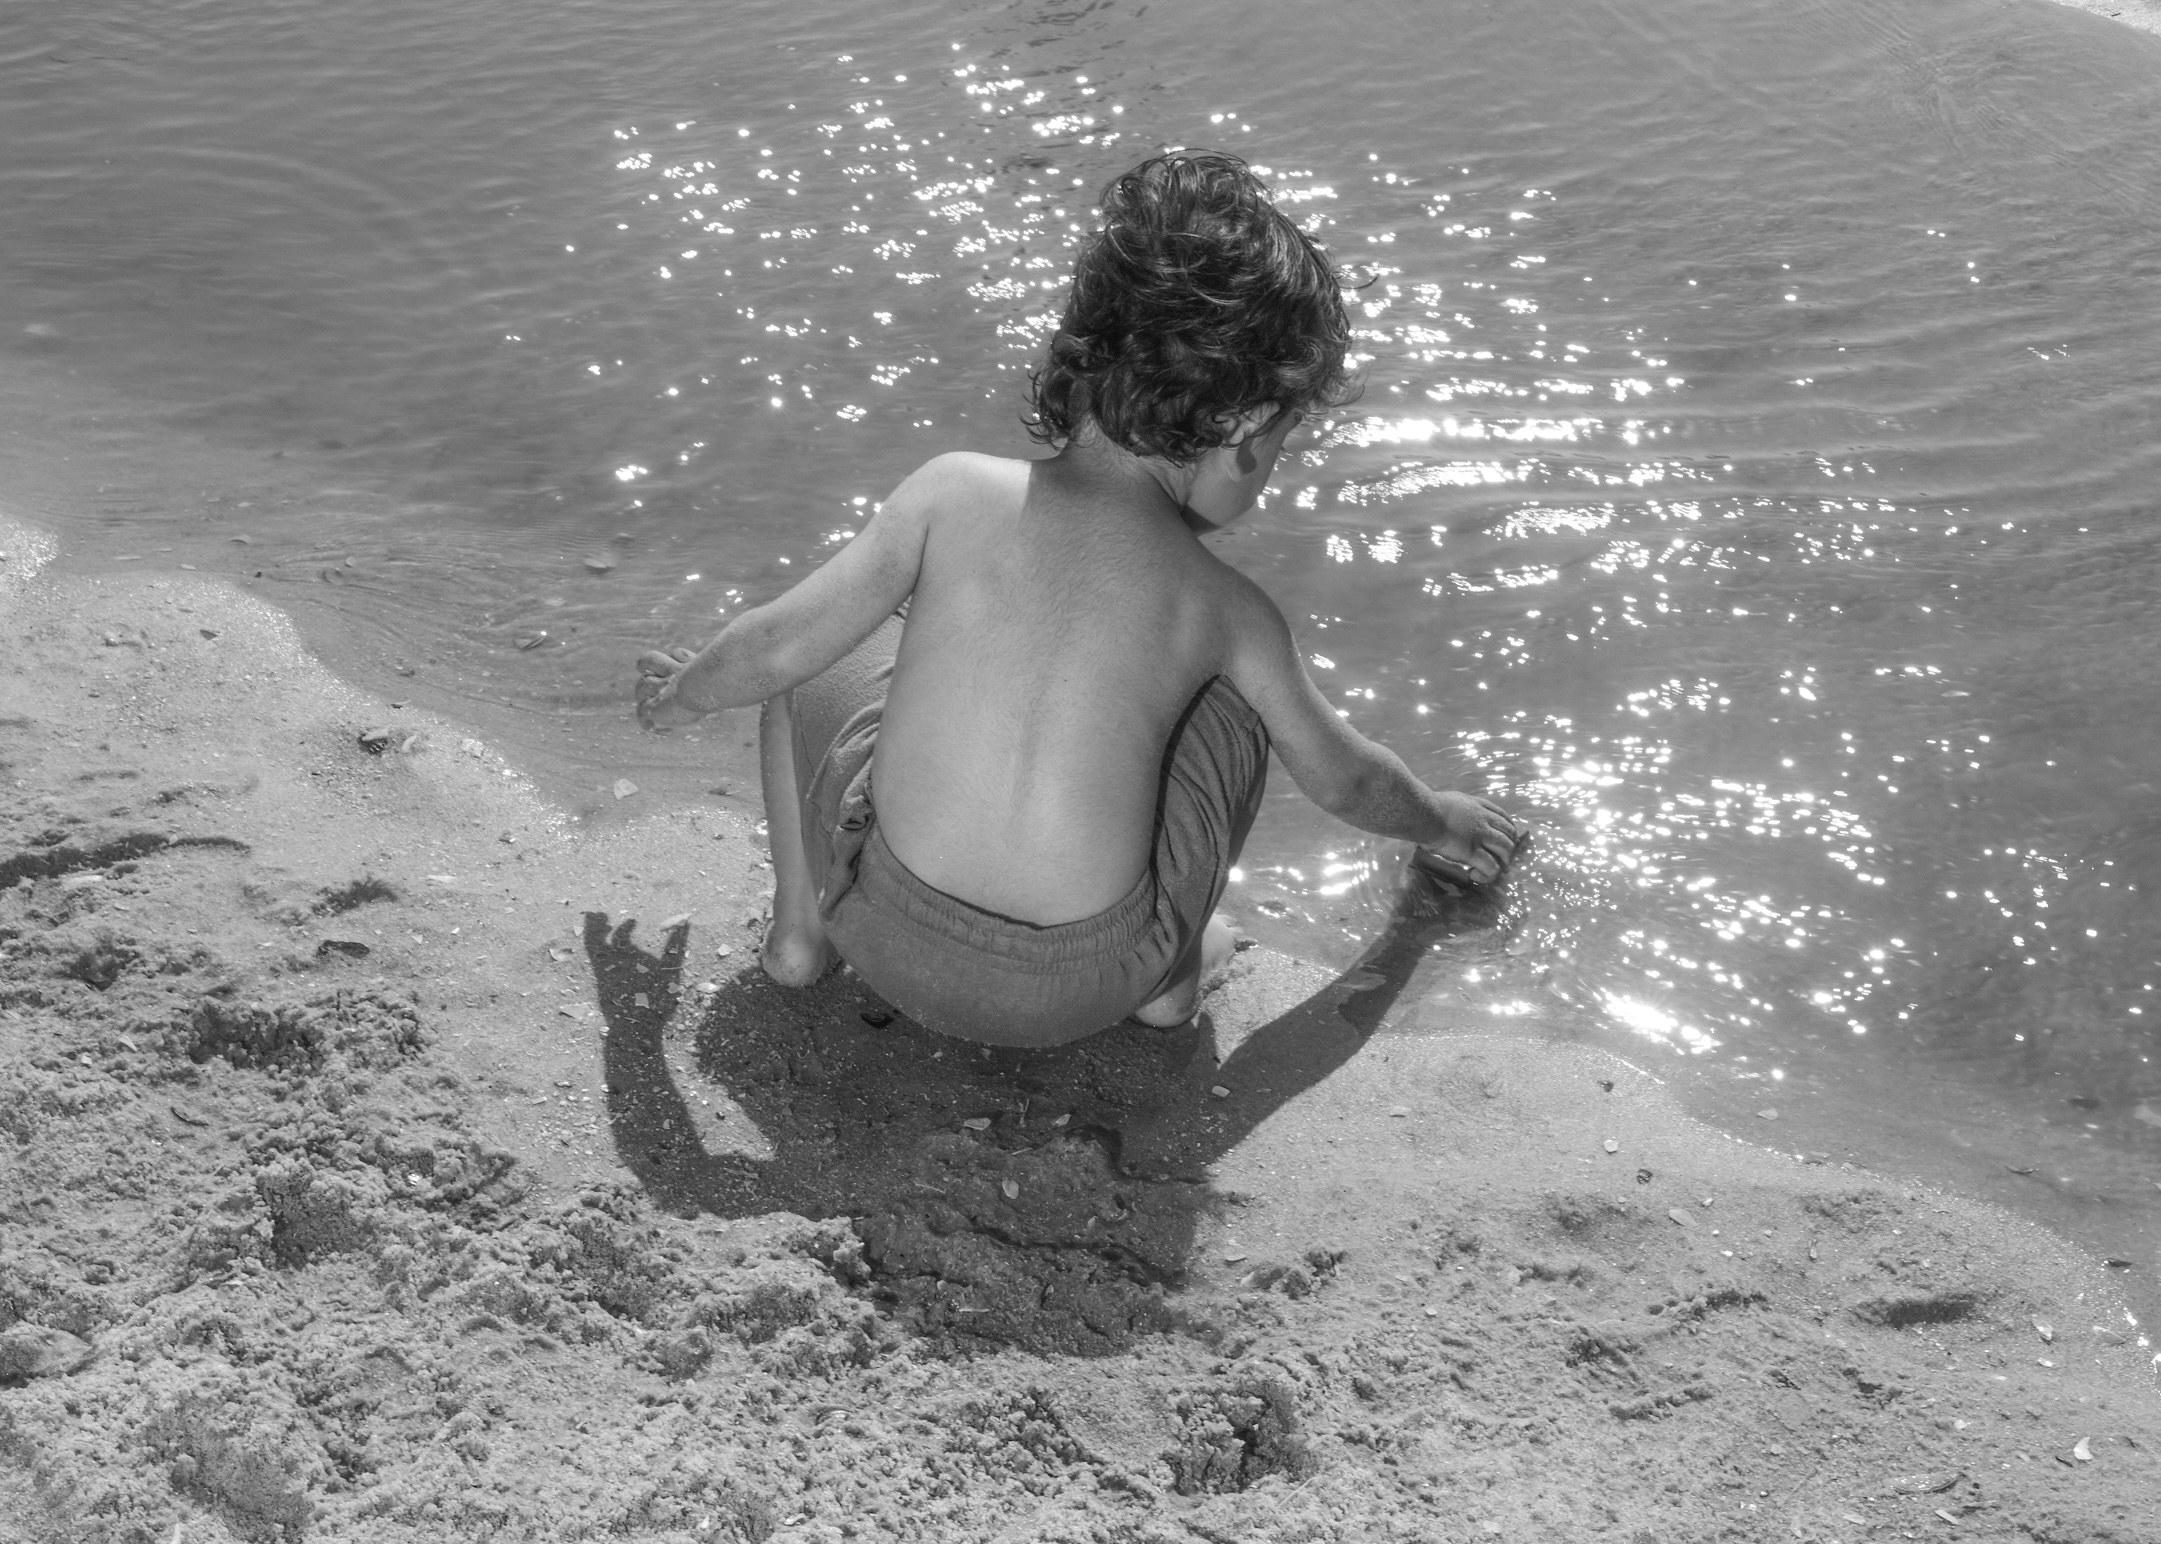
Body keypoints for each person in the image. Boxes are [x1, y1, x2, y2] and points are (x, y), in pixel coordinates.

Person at [634, 150, 1525, 1048]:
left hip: (886, 931)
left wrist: (685, 694)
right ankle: (1172, 983)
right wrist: (1441, 820)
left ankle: (799, 937)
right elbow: (1348, 778)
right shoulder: (1227, 607)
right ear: (1248, 431)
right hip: (1093, 984)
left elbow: (771, 651)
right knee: (1241, 712)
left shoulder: (951, 490)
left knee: (810, 647)